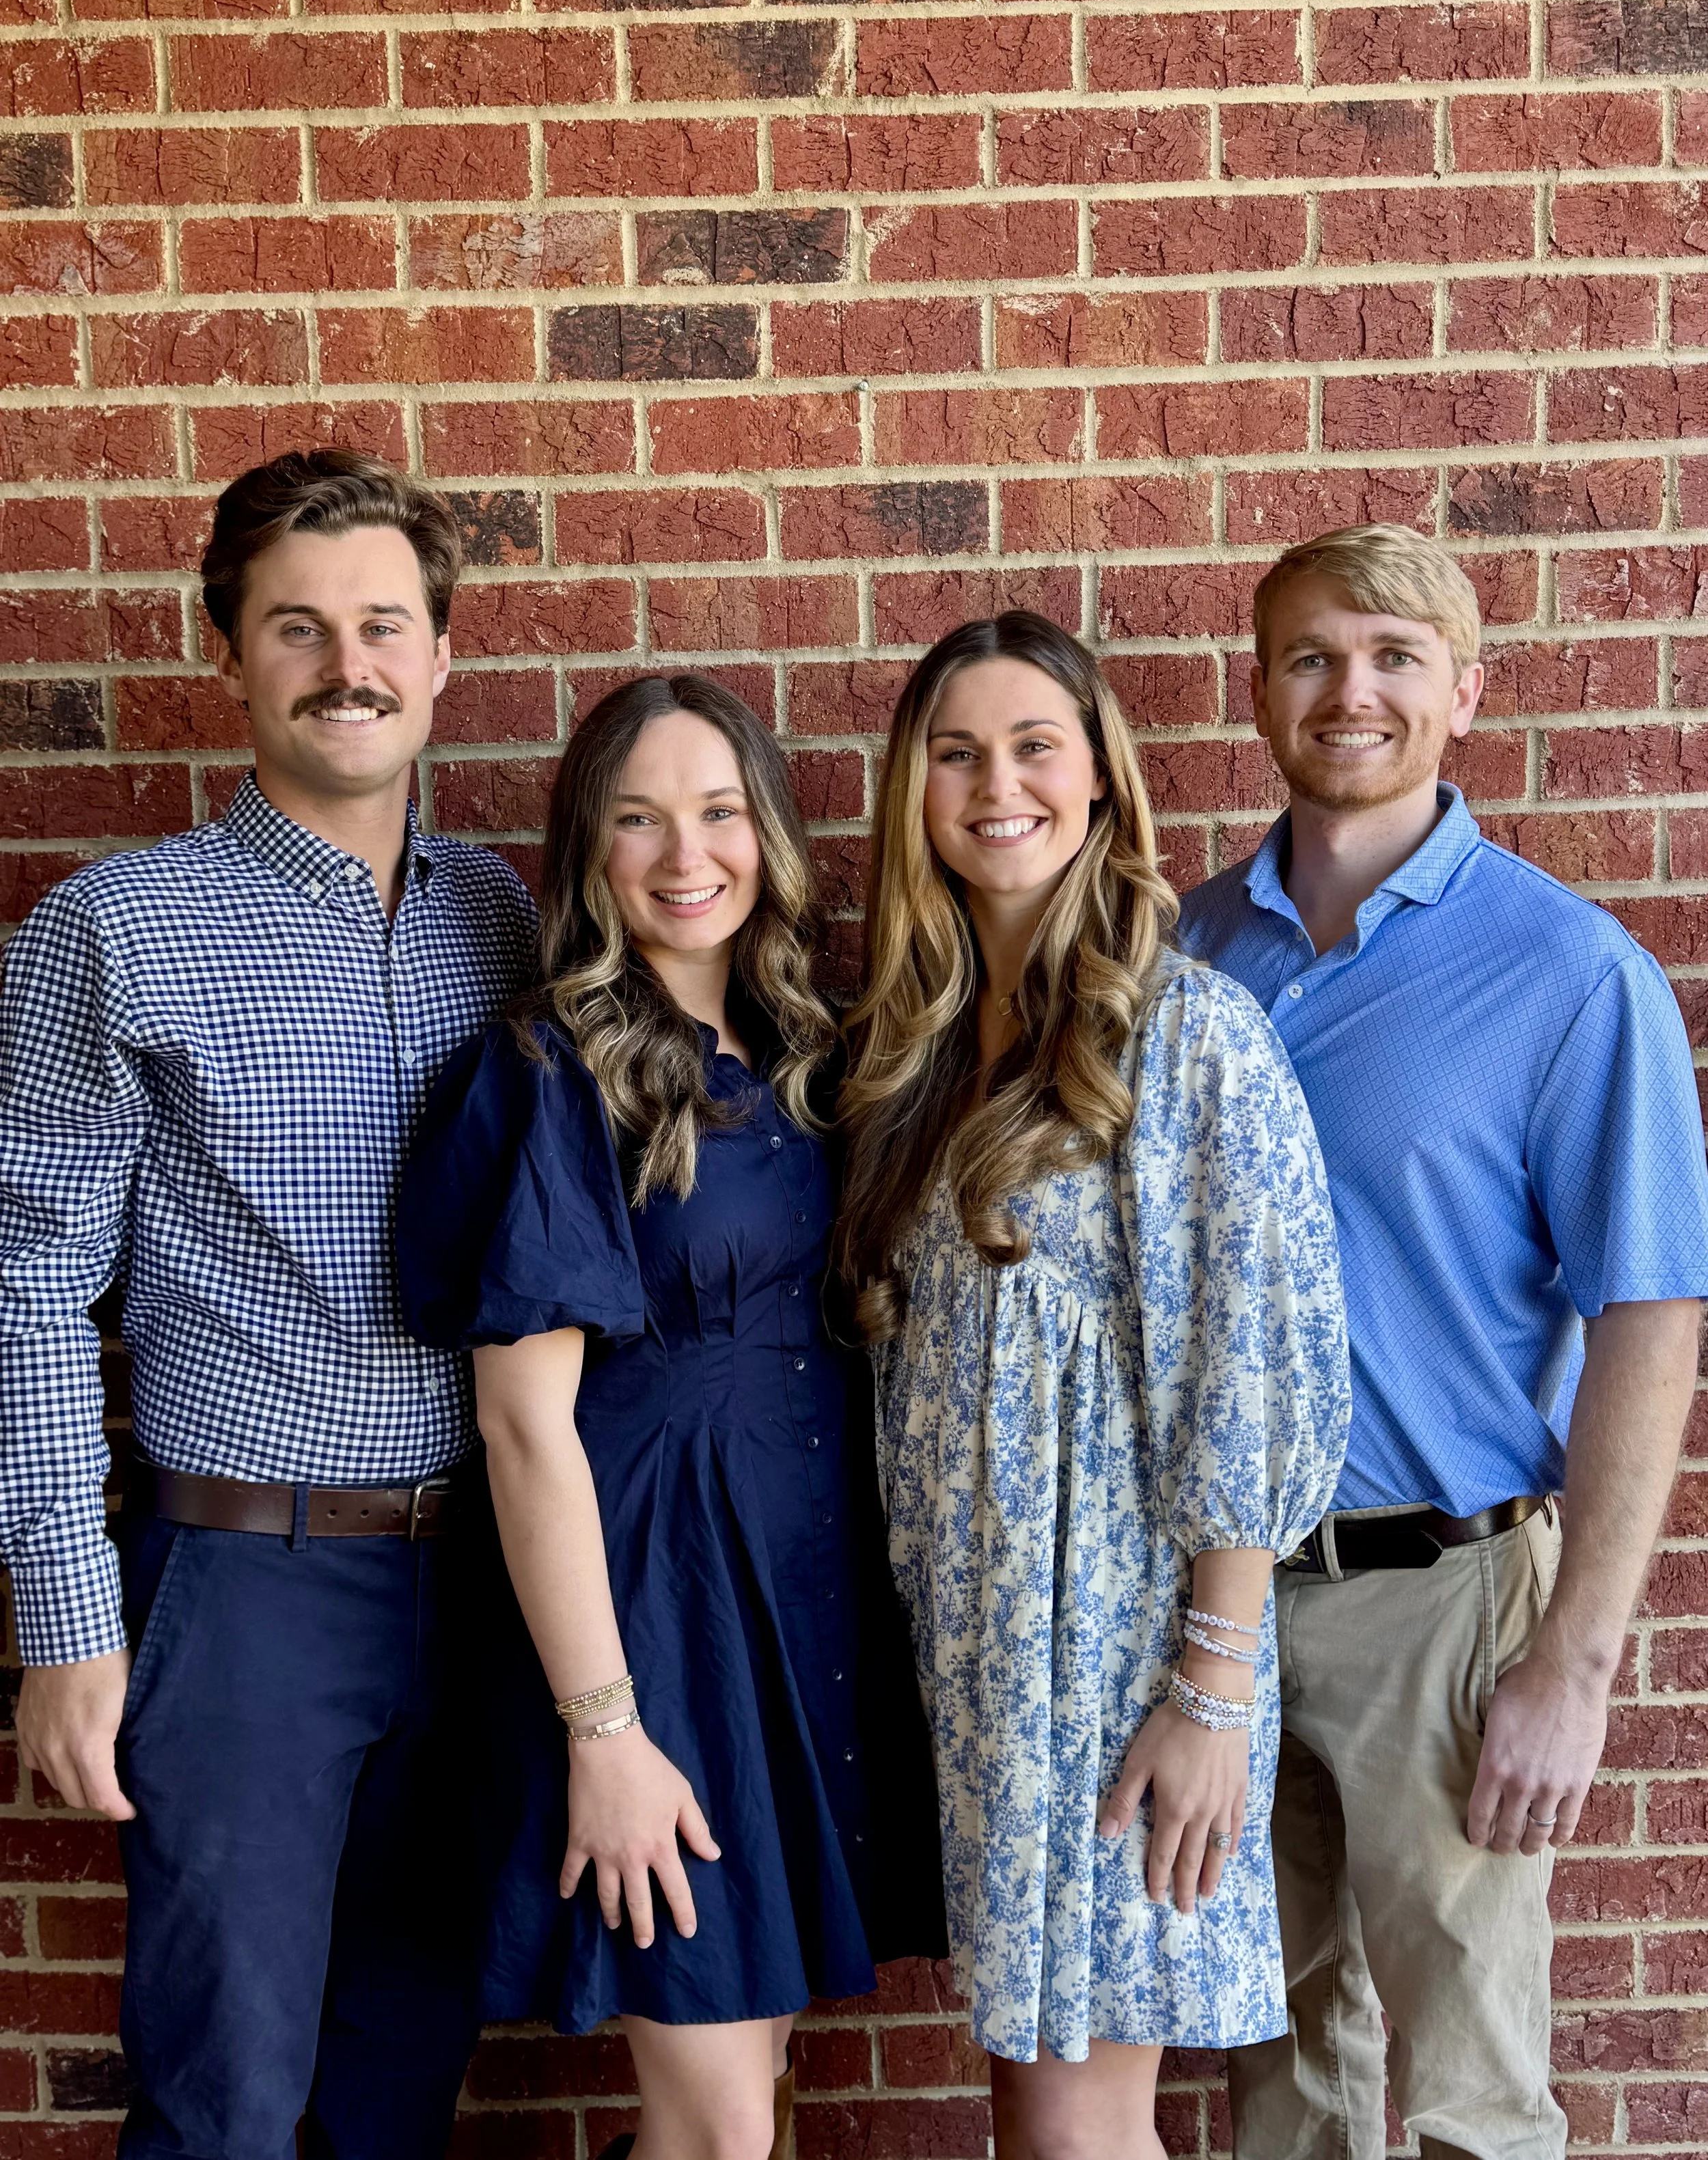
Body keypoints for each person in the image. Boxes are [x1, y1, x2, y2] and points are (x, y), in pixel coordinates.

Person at [0, 448, 538, 2160]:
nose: (345, 663)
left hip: (478, 1587)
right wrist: (68, 1615)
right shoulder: (116, 931)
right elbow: (23, 1287)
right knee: (224, 2096)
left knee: (402, 2070)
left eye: (382, 624)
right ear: (228, 653)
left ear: (442, 657)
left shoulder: (500, 919)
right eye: (296, 628)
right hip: (241, 1586)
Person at [1175, 523, 1708, 2160]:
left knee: (1472, 2098)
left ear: (1462, 695)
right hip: (1226, 1613)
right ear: (1257, 689)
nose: (1352, 692)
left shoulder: (1563, 973)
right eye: (1313, 656)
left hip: (1446, 1605)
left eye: (1396, 657)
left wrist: (1573, 1661)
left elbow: (1648, 1317)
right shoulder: (1184, 956)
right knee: (1271, 2084)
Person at [395, 673, 944, 2160]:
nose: (681, 852)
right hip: (651, 1625)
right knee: (715, 2125)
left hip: (795, 1610)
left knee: (744, 2093)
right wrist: (606, 1729)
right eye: (636, 819)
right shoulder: (554, 1070)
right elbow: (522, 1429)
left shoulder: (809, 1056)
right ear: (587, 850)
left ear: (765, 830)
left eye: (715, 811)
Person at [836, 611, 1353, 2160]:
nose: (996, 786)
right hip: (985, 1662)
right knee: (1037, 2102)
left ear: (1102, 784)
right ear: (912, 795)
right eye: (954, 753)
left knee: (1078, 2124)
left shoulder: (1183, 1032)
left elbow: (1244, 1380)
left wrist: (1208, 1686)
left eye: (1033, 745)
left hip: (1120, 1658)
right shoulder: (920, 1051)